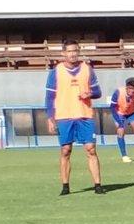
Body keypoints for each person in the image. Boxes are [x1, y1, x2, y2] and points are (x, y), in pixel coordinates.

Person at [44, 40, 104, 196]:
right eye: (69, 51)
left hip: (85, 115)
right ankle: (65, 186)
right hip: (64, 116)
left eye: (75, 50)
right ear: (63, 53)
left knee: (91, 149)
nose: (73, 54)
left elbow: (98, 91)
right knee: (66, 150)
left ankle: (98, 185)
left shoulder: (87, 69)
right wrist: (50, 117)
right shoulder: (55, 72)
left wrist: (89, 94)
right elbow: (50, 97)